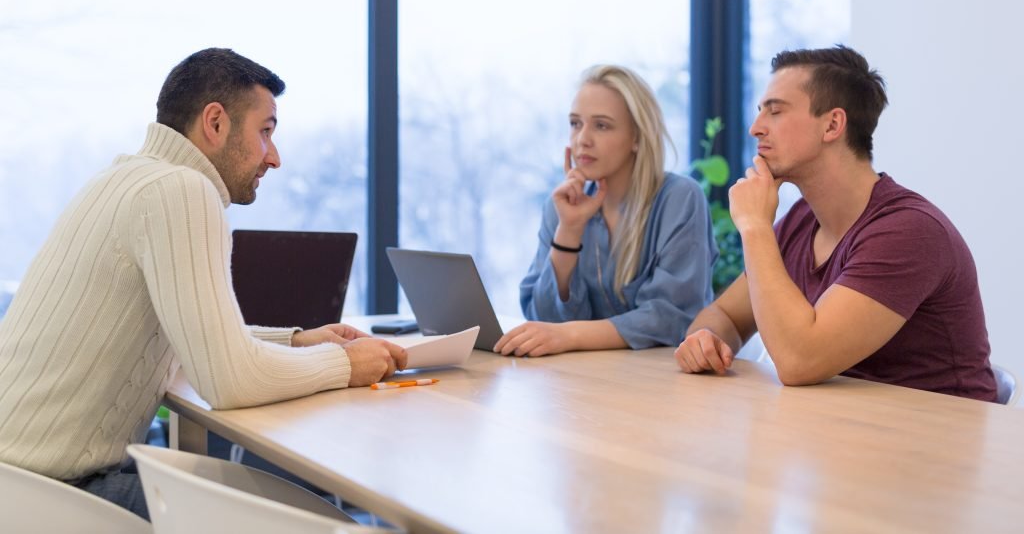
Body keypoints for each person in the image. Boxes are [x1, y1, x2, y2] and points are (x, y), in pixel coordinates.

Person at [0, 48, 408, 517]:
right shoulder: (180, 190)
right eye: (265, 131)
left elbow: (186, 333)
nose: (274, 157)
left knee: (305, 511)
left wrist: (296, 342)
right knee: (323, 521)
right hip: (50, 495)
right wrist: (344, 364)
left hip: (20, 481)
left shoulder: (124, 179)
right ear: (215, 123)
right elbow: (228, 380)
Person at [674, 46, 997, 401]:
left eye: (775, 111)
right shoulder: (801, 221)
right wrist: (706, 339)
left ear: (832, 125)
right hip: (840, 426)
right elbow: (725, 315)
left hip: (933, 432)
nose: (755, 128)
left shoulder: (909, 231)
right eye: (760, 111)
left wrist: (754, 226)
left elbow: (799, 361)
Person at [495, 65, 717, 357]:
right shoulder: (561, 206)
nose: (582, 139)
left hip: (661, 377)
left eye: (601, 126)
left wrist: (570, 335)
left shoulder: (679, 198)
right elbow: (542, 320)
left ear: (637, 137)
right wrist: (568, 232)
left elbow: (670, 318)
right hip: (581, 377)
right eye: (575, 123)